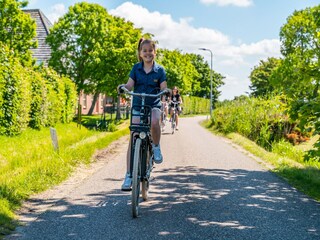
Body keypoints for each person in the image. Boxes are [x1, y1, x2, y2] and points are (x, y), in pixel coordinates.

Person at [117, 38, 167, 191]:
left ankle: (156, 146)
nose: (147, 53)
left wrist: (165, 94)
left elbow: (163, 87)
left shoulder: (160, 70)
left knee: (154, 121)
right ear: (140, 53)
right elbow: (130, 84)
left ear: (155, 52)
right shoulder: (136, 68)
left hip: (153, 104)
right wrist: (123, 87)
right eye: (144, 51)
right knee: (133, 137)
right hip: (138, 105)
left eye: (150, 50)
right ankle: (129, 175)